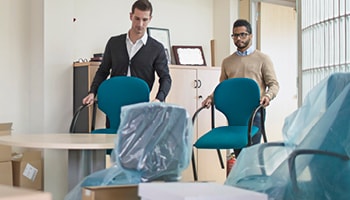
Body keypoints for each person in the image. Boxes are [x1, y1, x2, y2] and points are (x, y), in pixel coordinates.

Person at [202, 19, 279, 157]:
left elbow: (274, 84)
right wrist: (211, 98)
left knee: (251, 153)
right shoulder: (227, 61)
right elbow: (223, 88)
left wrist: (268, 96)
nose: (239, 38)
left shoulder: (263, 59)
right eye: (235, 35)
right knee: (239, 154)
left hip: (255, 112)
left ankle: (253, 178)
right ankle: (241, 178)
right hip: (234, 113)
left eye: (243, 34)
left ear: (250, 36)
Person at [83, 0, 171, 107]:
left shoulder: (157, 48)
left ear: (150, 19)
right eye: (137, 18)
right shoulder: (114, 43)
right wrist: (92, 92)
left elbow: (165, 77)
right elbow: (103, 71)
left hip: (140, 106)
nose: (140, 24)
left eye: (145, 20)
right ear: (131, 16)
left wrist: (159, 99)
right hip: (114, 103)